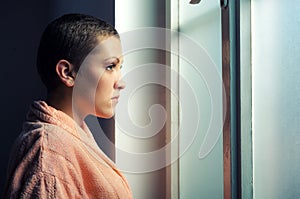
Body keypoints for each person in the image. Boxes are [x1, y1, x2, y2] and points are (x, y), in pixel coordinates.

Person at [4, 13, 132, 198]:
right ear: (67, 73)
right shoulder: (48, 153)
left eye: (120, 67)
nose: (121, 83)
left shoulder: (69, 137)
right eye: (110, 66)